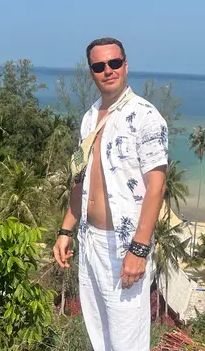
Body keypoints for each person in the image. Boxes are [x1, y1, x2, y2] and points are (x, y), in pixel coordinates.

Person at [53, 37, 168, 351]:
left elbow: (157, 187)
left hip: (125, 243)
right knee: (99, 329)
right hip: (90, 240)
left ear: (126, 66)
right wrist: (66, 229)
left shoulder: (145, 116)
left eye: (114, 63)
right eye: (99, 66)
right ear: (91, 72)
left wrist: (139, 250)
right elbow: (80, 180)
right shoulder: (90, 117)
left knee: (127, 336)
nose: (108, 70)